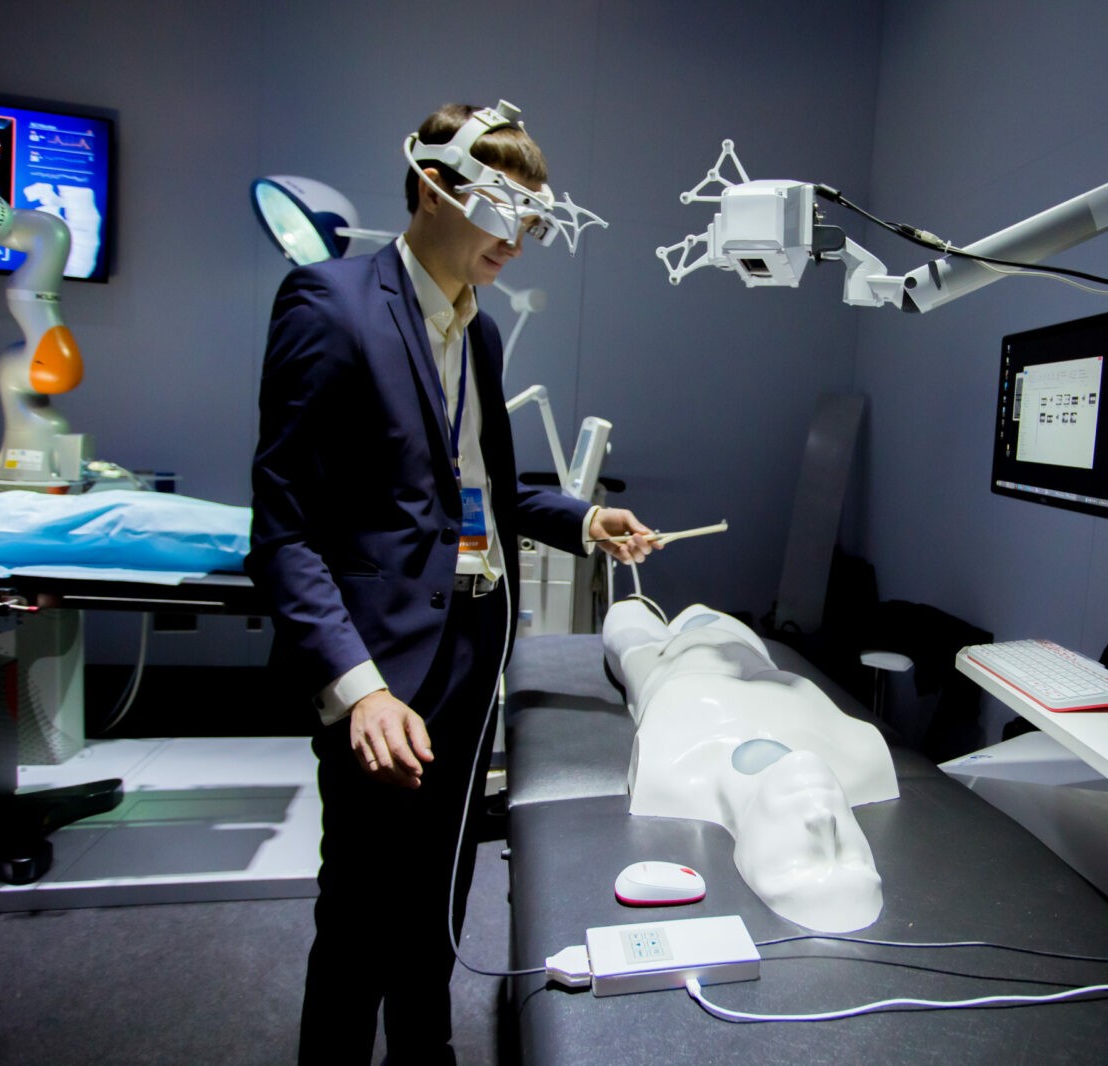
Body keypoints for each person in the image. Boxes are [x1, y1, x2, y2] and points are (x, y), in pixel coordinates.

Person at [248, 100, 657, 1065]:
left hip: (472, 654)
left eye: (532, 218)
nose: (518, 236)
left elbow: (478, 487)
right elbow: (284, 531)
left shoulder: (479, 331)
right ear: (432, 188)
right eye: (501, 208)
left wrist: (582, 520)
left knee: (438, 897)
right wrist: (360, 691)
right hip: (381, 670)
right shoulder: (330, 304)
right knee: (360, 914)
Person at [603, 599, 898, 932]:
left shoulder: (669, 771)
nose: (821, 820)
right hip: (739, 643)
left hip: (655, 656)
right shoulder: (863, 758)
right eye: (852, 858)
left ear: (748, 858)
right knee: (699, 613)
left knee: (625, 612)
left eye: (800, 862)